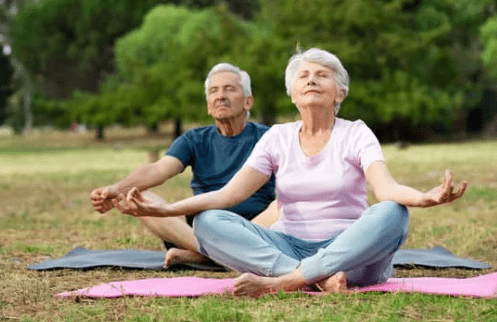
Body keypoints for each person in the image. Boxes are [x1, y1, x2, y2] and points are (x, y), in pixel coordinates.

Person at [112, 48, 467, 296]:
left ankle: (285, 282)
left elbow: (385, 189)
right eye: (304, 75)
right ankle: (312, 278)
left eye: (322, 76)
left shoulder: (356, 132)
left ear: (339, 91)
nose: (311, 80)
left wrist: (424, 197)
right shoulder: (278, 137)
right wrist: (167, 209)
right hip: (288, 247)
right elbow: (228, 196)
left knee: (393, 213)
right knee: (208, 222)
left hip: (351, 253)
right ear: (292, 92)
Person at [91, 63, 277, 268]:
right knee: (137, 196)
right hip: (200, 228)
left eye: (229, 89)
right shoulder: (194, 139)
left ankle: (208, 255)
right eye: (213, 91)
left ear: (248, 102)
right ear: (208, 104)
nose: (220, 96)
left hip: (253, 227)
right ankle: (216, 254)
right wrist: (116, 189)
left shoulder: (269, 137)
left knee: (283, 206)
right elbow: (158, 169)